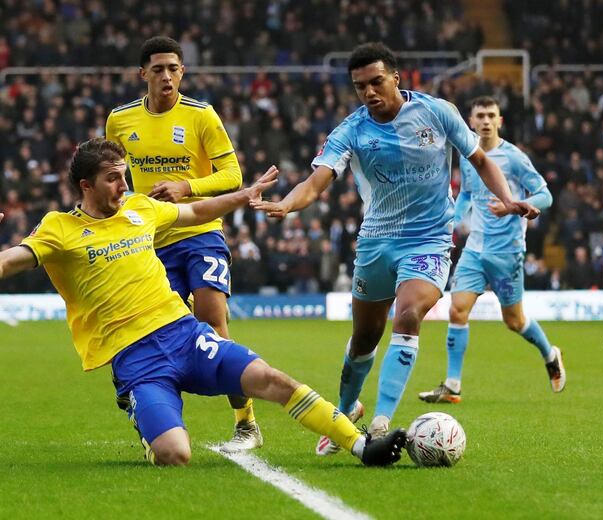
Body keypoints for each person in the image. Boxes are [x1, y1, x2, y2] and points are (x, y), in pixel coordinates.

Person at [0, 138, 406, 467]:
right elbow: (1, 267)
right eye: (112, 178)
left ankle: (361, 445)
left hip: (184, 334)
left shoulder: (140, 208)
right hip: (136, 359)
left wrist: (244, 195)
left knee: (272, 379)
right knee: (175, 455)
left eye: (125, 174)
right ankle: (144, 419)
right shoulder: (59, 228)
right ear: (86, 185)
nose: (124, 184)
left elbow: (196, 212)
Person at [251, 43, 540, 456]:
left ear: (396, 79)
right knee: (364, 340)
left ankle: (381, 421)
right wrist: (285, 204)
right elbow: (316, 182)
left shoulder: (437, 112)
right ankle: (345, 413)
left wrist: (508, 199)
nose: (369, 92)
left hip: (429, 241)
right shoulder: (351, 130)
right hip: (375, 244)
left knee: (408, 315)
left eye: (376, 82)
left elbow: (480, 160)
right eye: (360, 86)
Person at [105, 36, 260, 453]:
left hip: (200, 231)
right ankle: (146, 405)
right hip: (151, 237)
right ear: (143, 74)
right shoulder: (119, 120)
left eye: (174, 68)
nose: (167, 76)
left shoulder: (201, 116)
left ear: (182, 72)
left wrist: (186, 186)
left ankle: (246, 423)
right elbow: (115, 178)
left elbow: (232, 176)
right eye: (158, 69)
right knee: (148, 328)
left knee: (212, 315)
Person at [418, 96, 566, 404]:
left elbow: (545, 196)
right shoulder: (468, 156)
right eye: (480, 116)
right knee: (457, 309)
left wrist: (514, 207)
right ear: (470, 122)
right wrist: (454, 222)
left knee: (514, 321)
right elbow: (467, 196)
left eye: (491, 116)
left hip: (507, 252)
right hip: (475, 249)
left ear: (499, 121)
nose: (485, 121)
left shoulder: (514, 158)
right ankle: (453, 384)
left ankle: (549, 353)